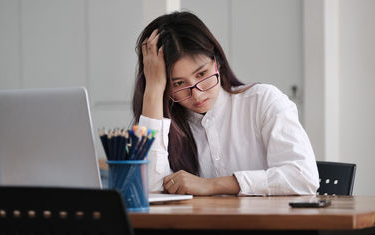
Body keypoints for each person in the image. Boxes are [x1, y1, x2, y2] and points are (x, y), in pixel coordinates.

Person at [132, 11, 319, 196]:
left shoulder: (263, 101)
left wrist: (213, 185)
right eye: (178, 83)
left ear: (217, 61)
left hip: (265, 225)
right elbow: (149, 190)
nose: (196, 94)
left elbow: (304, 177)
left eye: (202, 74)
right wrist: (153, 90)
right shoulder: (165, 120)